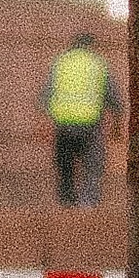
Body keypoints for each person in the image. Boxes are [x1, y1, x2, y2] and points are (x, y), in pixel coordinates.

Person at [42, 40, 119, 209]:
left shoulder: (61, 62)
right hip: (90, 124)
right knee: (92, 167)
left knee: (65, 167)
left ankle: (66, 205)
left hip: (63, 124)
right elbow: (113, 96)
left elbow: (46, 95)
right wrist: (116, 123)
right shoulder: (97, 63)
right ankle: (87, 207)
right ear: (91, 46)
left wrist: (45, 123)